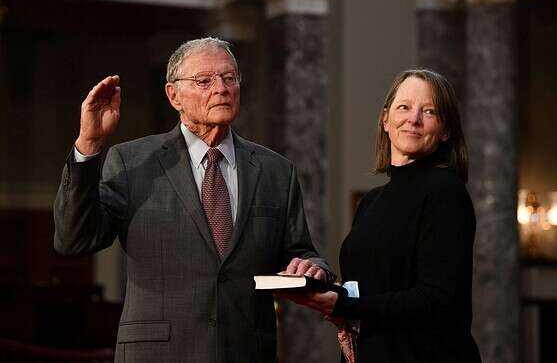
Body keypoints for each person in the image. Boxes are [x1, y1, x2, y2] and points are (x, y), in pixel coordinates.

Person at [53, 37, 332, 363]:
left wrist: (315, 269)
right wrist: (89, 143)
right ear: (174, 96)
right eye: (204, 81)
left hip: (246, 351)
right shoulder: (132, 162)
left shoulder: (275, 170)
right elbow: (74, 239)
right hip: (159, 353)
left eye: (230, 78)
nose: (222, 88)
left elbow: (300, 252)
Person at [283, 69, 482, 362]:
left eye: (428, 111)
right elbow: (374, 287)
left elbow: (437, 300)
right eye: (404, 107)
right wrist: (320, 283)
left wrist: (343, 306)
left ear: (445, 131)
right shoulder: (371, 201)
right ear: (386, 119)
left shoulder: (446, 191)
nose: (413, 119)